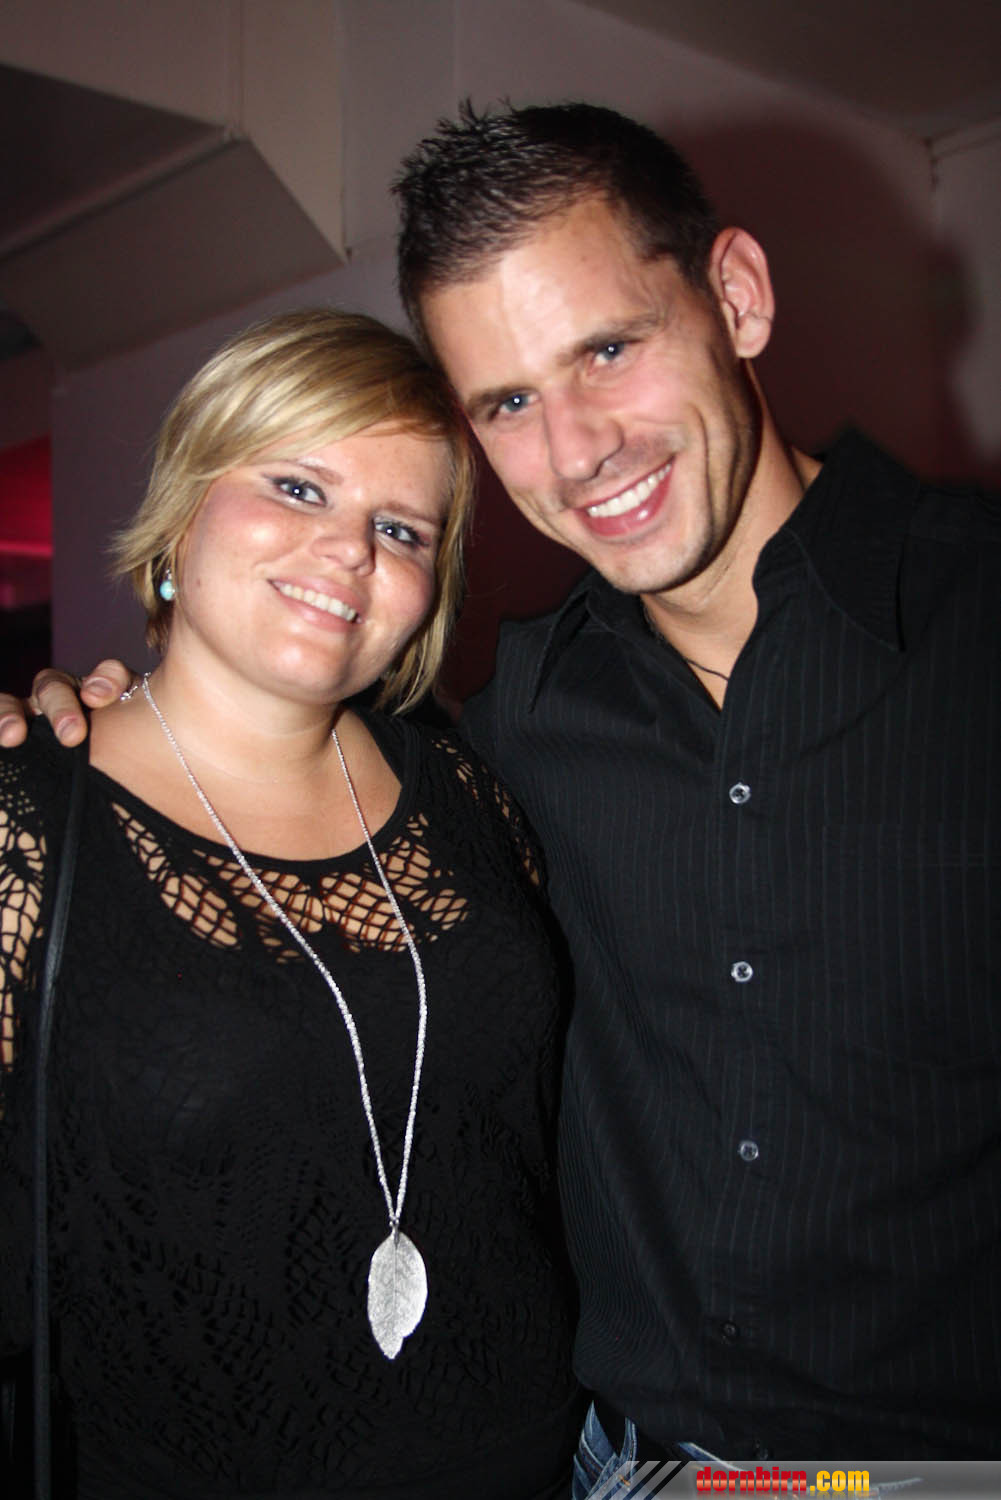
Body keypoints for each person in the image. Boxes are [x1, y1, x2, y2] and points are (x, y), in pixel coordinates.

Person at [10, 101, 1001, 1476]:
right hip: (608, 1463)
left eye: (607, 349)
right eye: (509, 404)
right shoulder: (519, 720)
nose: (579, 448)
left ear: (735, 297)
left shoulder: (970, 625)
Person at [0, 307, 584, 1499]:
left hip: (549, 1463)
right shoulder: (27, 825)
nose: (350, 551)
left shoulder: (472, 785)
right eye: (298, 487)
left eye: (400, 527)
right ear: (185, 505)